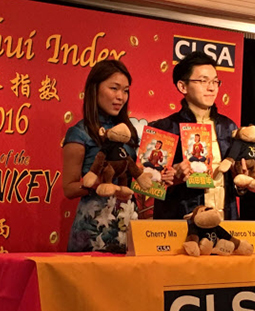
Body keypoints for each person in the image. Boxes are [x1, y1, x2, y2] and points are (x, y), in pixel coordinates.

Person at [62, 60, 173, 252]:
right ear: (94, 89)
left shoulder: (128, 133)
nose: (120, 97)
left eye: (125, 91)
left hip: (129, 224)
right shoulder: (80, 133)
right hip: (93, 229)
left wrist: (160, 177)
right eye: (114, 88)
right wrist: (98, 185)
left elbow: (134, 177)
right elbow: (69, 188)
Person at [150, 51, 242, 220]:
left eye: (215, 81)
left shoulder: (229, 127)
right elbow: (148, 186)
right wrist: (173, 177)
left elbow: (236, 185)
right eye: (203, 81)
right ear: (182, 86)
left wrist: (241, 181)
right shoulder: (164, 128)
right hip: (183, 223)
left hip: (225, 222)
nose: (211, 88)